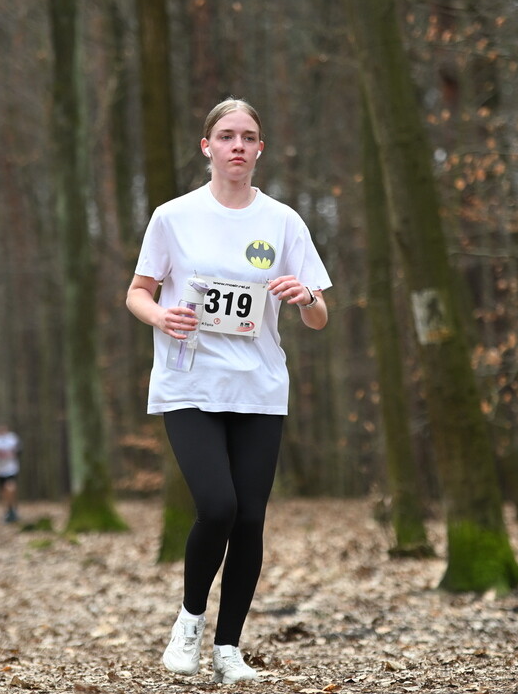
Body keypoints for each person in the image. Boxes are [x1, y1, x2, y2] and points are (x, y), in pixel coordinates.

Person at [126, 98, 331, 684]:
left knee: (249, 521)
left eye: (247, 136)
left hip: (258, 386)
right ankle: (189, 622)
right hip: (190, 381)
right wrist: (160, 316)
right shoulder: (173, 216)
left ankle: (228, 649)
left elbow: (319, 316)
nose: (237, 145)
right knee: (218, 506)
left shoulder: (283, 221)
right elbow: (137, 292)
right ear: (207, 147)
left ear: (260, 148)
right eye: (226, 135)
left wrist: (305, 298)